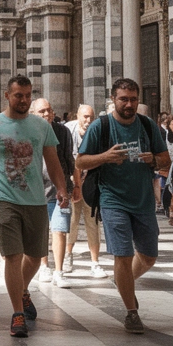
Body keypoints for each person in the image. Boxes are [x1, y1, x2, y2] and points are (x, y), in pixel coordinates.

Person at [0, 79, 69, 337]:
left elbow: (53, 160)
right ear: (7, 95)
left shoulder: (41, 126)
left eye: (27, 95)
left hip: (36, 200)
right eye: (18, 95)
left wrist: (61, 188)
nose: (23, 100)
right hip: (3, 199)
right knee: (12, 256)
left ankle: (22, 290)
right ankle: (17, 313)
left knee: (35, 257)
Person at [76, 79, 169, 334]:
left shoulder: (148, 127)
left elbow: (166, 161)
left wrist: (154, 159)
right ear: (113, 99)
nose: (129, 104)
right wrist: (105, 157)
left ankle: (123, 281)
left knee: (149, 256)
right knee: (123, 256)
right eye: (123, 99)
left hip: (143, 201)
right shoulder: (101, 127)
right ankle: (131, 312)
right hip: (112, 199)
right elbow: (81, 162)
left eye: (133, 99)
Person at [29, 98, 76, 287]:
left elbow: (68, 159)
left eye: (49, 110)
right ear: (33, 113)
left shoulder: (62, 131)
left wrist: (72, 185)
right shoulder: (28, 131)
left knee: (60, 230)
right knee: (41, 231)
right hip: (36, 191)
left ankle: (59, 271)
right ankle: (43, 266)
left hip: (59, 189)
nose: (47, 114)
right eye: (42, 111)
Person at [65, 103, 105, 276]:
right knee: (71, 221)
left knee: (92, 221)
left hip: (90, 182)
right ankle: (67, 256)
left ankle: (95, 262)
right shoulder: (68, 130)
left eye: (91, 117)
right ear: (77, 116)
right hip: (72, 181)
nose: (88, 120)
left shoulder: (97, 132)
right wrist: (74, 185)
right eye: (85, 117)